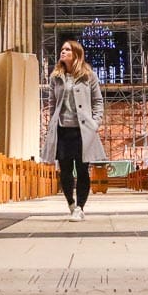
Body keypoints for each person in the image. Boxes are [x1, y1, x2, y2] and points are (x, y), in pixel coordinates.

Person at [40, 40, 105, 221]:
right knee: (65, 171)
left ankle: (80, 207)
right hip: (62, 130)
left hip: (82, 131)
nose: (63, 52)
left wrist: (95, 123)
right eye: (62, 49)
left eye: (67, 49)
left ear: (76, 53)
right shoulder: (55, 77)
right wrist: (51, 124)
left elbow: (98, 101)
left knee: (83, 170)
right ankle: (71, 203)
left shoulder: (88, 76)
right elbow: (52, 103)